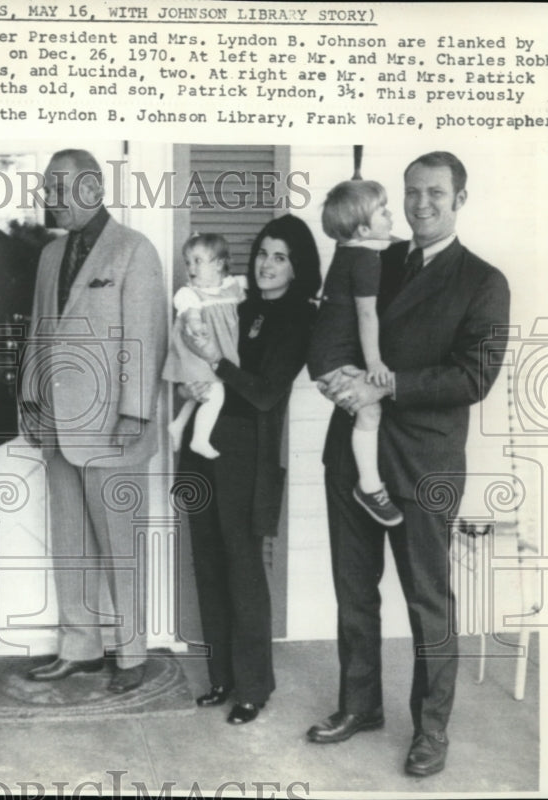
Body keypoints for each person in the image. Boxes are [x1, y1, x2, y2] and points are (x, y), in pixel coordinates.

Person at [306, 152, 510, 778]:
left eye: (436, 193)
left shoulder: (483, 280)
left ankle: (431, 730)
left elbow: (473, 376)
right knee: (352, 591)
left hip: (424, 462)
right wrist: (334, 379)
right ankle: (360, 705)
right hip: (354, 453)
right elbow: (336, 322)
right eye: (412, 192)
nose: (421, 204)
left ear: (460, 198)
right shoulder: (373, 253)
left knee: (428, 603)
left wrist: (384, 388)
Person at [19, 149, 167, 694]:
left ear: (92, 186)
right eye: (47, 186)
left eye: (59, 186)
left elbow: (146, 337)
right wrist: (31, 401)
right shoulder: (50, 256)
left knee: (121, 546)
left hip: (114, 428)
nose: (49, 196)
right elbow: (40, 330)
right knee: (70, 543)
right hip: (59, 426)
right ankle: (79, 647)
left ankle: (131, 654)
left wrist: (135, 412)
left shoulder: (134, 250)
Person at [179, 215, 321, 724]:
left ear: (297, 267)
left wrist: (215, 362)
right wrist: (191, 384)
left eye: (280, 257)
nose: (267, 263)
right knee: (208, 560)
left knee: (242, 568)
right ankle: (222, 678)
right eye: (263, 252)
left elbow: (263, 393)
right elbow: (194, 361)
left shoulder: (301, 318)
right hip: (202, 444)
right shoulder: (240, 303)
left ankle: (253, 687)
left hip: (247, 451)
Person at [309, 180, 403, 527]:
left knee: (366, 410)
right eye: (383, 210)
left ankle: (369, 483)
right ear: (363, 228)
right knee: (371, 410)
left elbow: (384, 239)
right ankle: (369, 485)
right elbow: (367, 314)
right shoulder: (365, 260)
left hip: (325, 354)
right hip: (334, 358)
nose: (391, 214)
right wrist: (375, 361)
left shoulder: (349, 248)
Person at [162, 232, 247, 459]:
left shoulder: (230, 287)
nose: (191, 267)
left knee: (203, 391)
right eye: (188, 262)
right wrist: (196, 324)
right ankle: (200, 439)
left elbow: (245, 292)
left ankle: (179, 424)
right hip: (196, 352)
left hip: (214, 354)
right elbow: (190, 314)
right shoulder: (189, 293)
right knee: (215, 392)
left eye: (198, 261)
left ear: (219, 264)